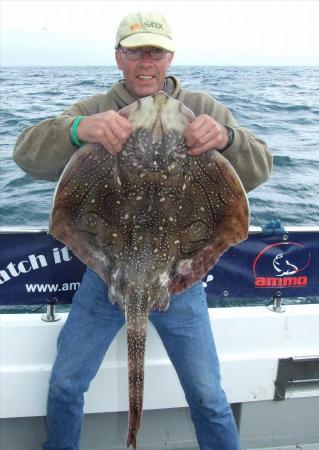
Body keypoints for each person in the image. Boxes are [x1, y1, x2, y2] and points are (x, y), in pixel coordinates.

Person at [13, 11, 272, 450]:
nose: (145, 61)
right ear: (119, 58)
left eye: (155, 51)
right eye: (135, 51)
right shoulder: (94, 108)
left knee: (208, 396)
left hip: (181, 277)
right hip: (106, 274)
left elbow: (260, 168)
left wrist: (227, 138)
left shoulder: (204, 108)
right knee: (65, 385)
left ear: (169, 57)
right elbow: (26, 154)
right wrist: (78, 130)